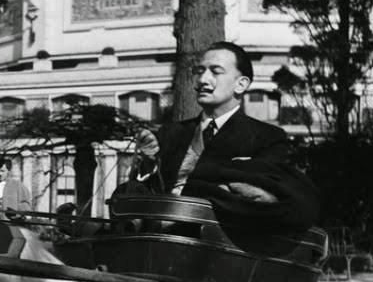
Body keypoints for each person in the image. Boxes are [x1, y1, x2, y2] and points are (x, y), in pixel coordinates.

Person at [122, 41, 319, 230]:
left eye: (215, 72)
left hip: (216, 239)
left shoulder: (267, 137)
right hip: (157, 230)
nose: (202, 80)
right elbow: (153, 188)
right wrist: (148, 162)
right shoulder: (171, 133)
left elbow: (259, 197)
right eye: (200, 71)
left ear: (240, 84)